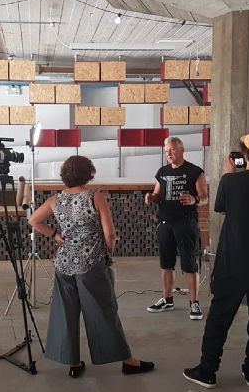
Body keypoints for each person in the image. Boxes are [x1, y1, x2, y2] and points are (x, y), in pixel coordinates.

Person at [29, 155, 155, 378]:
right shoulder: (95, 197)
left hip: (64, 263)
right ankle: (127, 361)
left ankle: (73, 363)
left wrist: (55, 234)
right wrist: (108, 253)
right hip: (91, 264)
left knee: (65, 313)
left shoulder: (55, 200)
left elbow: (34, 221)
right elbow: (110, 233)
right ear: (89, 174)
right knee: (104, 311)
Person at [183, 130, 249, 389]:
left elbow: (220, 207)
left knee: (220, 316)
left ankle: (207, 371)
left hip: (234, 261)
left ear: (245, 154)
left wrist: (230, 174)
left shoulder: (231, 182)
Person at [144, 136, 208, 320]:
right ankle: (167, 299)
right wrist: (151, 198)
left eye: (172, 150)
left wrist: (194, 199)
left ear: (181, 150)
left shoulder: (195, 171)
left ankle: (194, 303)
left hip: (186, 223)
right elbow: (157, 194)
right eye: (166, 151)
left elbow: (204, 196)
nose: (169, 154)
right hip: (165, 223)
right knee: (166, 264)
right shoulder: (162, 172)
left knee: (189, 264)